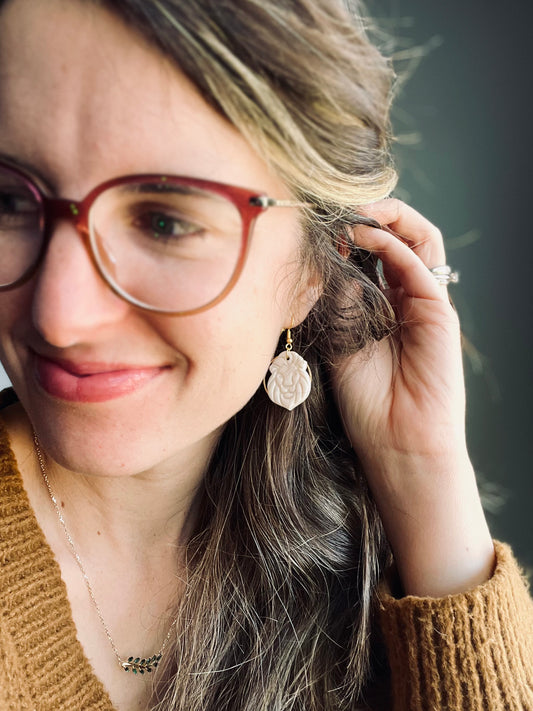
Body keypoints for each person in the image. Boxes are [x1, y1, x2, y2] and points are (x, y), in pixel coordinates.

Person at [0, 0, 531, 709]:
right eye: (8, 198)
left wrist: (423, 474)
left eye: (165, 219)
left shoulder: (373, 561)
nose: (58, 317)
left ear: (317, 264)